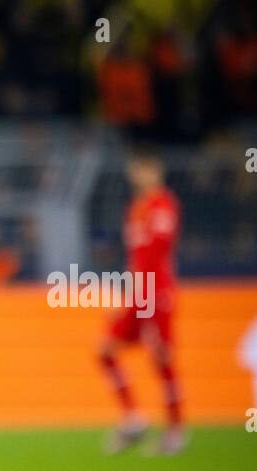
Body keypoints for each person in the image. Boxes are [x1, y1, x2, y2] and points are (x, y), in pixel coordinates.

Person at [99, 149, 184, 455]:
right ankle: (133, 418)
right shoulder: (136, 207)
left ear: (155, 171)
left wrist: (138, 292)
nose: (138, 175)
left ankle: (175, 431)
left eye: (144, 169)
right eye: (135, 169)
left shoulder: (163, 205)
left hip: (155, 292)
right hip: (137, 292)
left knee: (162, 357)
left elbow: (157, 253)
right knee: (105, 350)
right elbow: (135, 258)